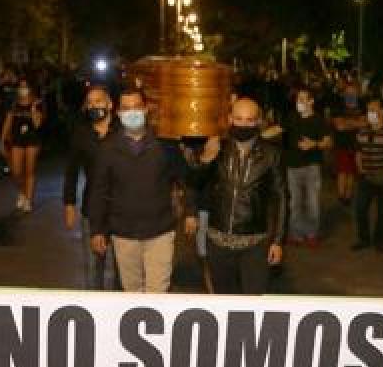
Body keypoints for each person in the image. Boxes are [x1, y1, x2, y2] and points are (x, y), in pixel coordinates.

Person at [86, 86, 192, 293]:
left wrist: (191, 212)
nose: (132, 113)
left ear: (145, 110)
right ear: (118, 113)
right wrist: (97, 229)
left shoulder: (165, 145)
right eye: (126, 108)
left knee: (157, 293)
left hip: (159, 231)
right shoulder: (107, 149)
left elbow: (185, 180)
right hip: (124, 234)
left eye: (136, 107)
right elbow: (98, 190)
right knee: (131, 293)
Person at [189, 97, 287, 295]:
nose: (243, 124)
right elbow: (194, 184)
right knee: (224, 301)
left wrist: (277, 240)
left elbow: (281, 198)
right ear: (230, 119)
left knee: (253, 301)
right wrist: (206, 160)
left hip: (254, 243)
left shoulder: (271, 154)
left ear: (258, 121)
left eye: (249, 120)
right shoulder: (217, 147)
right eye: (239, 119)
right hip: (218, 241)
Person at [62, 84, 119, 290]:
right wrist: (69, 204)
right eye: (90, 103)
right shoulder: (82, 134)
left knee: (121, 267)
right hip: (92, 208)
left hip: (122, 208)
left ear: (110, 104)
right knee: (96, 264)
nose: (94, 105)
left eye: (99, 101)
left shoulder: (123, 131)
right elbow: (71, 171)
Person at [273, 87, 331, 246]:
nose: (299, 102)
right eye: (298, 99)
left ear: (311, 101)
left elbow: (328, 141)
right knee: (295, 202)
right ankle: (296, 233)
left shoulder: (319, 120)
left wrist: (315, 144)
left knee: (312, 202)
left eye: (303, 99)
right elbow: (278, 129)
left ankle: (311, 234)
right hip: (292, 166)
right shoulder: (291, 117)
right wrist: (257, 134)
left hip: (312, 167)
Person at [353, 98, 383, 253]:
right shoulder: (362, 131)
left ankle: (379, 241)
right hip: (366, 177)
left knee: (382, 212)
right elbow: (358, 152)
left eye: (373, 110)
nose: (370, 114)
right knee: (360, 209)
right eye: (368, 110)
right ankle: (364, 239)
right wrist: (360, 170)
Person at [0, 79, 44, 212]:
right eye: (20, 87)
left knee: (29, 171)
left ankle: (28, 200)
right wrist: (2, 140)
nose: (23, 89)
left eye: (25, 86)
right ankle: (22, 192)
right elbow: (7, 122)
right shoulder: (13, 104)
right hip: (17, 139)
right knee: (16, 171)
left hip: (32, 140)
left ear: (31, 88)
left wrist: (33, 109)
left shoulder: (38, 103)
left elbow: (37, 124)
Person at [330, 77, 362, 206]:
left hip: (357, 144)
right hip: (342, 144)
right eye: (348, 93)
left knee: (352, 172)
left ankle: (348, 195)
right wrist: (356, 123)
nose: (351, 95)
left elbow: (366, 123)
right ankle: (341, 195)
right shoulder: (338, 106)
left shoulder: (362, 106)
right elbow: (339, 126)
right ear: (344, 94)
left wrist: (347, 123)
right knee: (342, 171)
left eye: (353, 93)